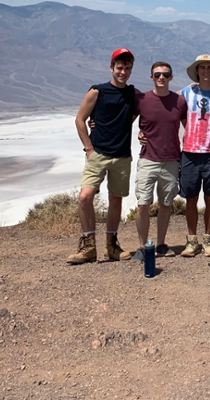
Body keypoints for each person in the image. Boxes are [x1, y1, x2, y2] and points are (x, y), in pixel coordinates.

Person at [68, 48, 138, 264]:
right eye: (119, 67)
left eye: (127, 68)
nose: (123, 72)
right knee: (85, 197)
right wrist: (89, 148)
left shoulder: (133, 94)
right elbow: (80, 119)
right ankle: (89, 245)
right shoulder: (97, 91)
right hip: (97, 153)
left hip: (122, 155)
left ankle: (111, 246)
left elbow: (136, 113)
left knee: (115, 200)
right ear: (111, 68)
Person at [120, 62, 187, 260]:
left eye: (165, 74)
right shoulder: (141, 100)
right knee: (143, 203)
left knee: (166, 204)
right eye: (157, 74)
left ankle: (161, 244)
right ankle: (142, 246)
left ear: (171, 77)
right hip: (148, 158)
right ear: (151, 77)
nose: (161, 77)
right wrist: (95, 123)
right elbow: (124, 122)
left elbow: (189, 127)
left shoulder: (179, 101)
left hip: (171, 159)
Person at [178, 54, 210, 258]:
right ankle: (192, 241)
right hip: (190, 152)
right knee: (190, 198)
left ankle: (208, 240)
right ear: (197, 71)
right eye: (202, 67)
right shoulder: (185, 92)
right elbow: (171, 109)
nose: (206, 70)